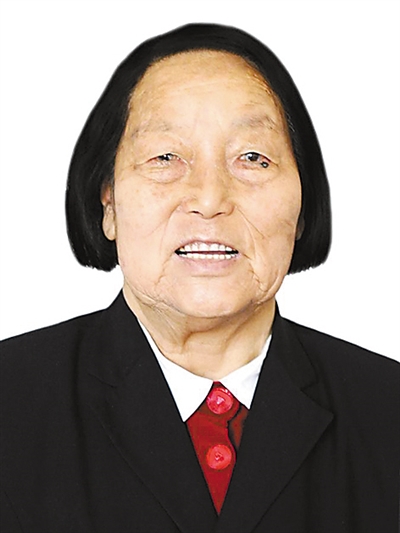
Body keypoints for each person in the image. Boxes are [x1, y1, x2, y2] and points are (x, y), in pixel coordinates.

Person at [0, 23, 398, 533]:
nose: (210, 199)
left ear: (303, 206)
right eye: (165, 157)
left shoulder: (388, 411)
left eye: (252, 158)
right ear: (108, 204)